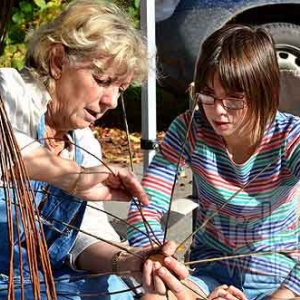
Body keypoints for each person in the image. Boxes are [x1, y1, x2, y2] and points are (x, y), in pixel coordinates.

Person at [0, 0, 190, 298]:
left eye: (121, 89)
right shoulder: (9, 92)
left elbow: (84, 241)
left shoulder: (84, 142)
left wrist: (131, 260)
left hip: (50, 280)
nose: (111, 101)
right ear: (57, 60)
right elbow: (6, 148)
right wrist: (72, 176)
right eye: (102, 81)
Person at [127, 24, 300, 300]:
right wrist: (154, 254)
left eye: (234, 99)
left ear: (263, 92)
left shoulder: (290, 136)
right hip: (208, 272)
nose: (218, 110)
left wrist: (279, 296)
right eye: (208, 95)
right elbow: (145, 203)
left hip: (281, 277)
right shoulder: (190, 130)